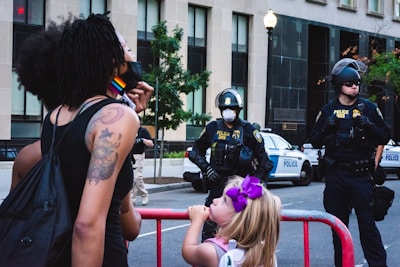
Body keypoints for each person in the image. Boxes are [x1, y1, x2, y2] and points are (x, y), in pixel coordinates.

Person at [13, 13, 153, 267]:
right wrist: (125, 111)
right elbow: (87, 225)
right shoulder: (118, 116)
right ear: (111, 59)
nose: (132, 56)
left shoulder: (55, 117)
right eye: (125, 49)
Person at [309, 58, 391, 267]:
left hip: (361, 177)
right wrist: (326, 126)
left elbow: (384, 136)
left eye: (356, 84)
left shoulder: (369, 108)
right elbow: (314, 140)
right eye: (349, 84)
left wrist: (369, 125)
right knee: (338, 229)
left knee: (368, 227)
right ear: (339, 86)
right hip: (336, 177)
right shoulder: (328, 110)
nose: (354, 87)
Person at [189, 88, 273, 241]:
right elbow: (195, 152)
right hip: (217, 184)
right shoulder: (212, 128)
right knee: (210, 229)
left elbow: (265, 161)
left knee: (242, 231)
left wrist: (253, 183)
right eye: (225, 108)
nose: (228, 111)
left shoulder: (248, 130)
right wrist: (206, 168)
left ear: (238, 109)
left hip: (240, 188)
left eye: (232, 108)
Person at [182, 175, 281, 267]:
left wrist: (197, 220)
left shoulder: (211, 251)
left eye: (224, 200)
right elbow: (276, 201)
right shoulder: (265, 253)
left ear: (238, 219)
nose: (215, 200)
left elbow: (188, 250)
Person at [131, 125, 154, 205]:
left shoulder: (143, 131)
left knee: (137, 177)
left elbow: (151, 144)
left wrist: (142, 140)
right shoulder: (129, 129)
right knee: (131, 178)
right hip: (129, 156)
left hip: (138, 156)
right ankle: (132, 198)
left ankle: (144, 194)